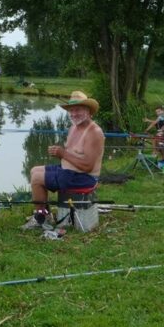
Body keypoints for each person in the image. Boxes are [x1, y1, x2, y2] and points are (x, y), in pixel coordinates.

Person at [25, 91, 105, 229]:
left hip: (83, 177)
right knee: (34, 170)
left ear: (88, 111)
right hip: (69, 171)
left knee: (37, 178)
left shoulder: (94, 133)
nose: (73, 114)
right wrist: (60, 152)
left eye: (78, 110)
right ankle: (45, 213)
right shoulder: (74, 127)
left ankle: (39, 219)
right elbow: (72, 153)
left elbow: (88, 167)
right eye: (71, 110)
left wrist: (62, 154)